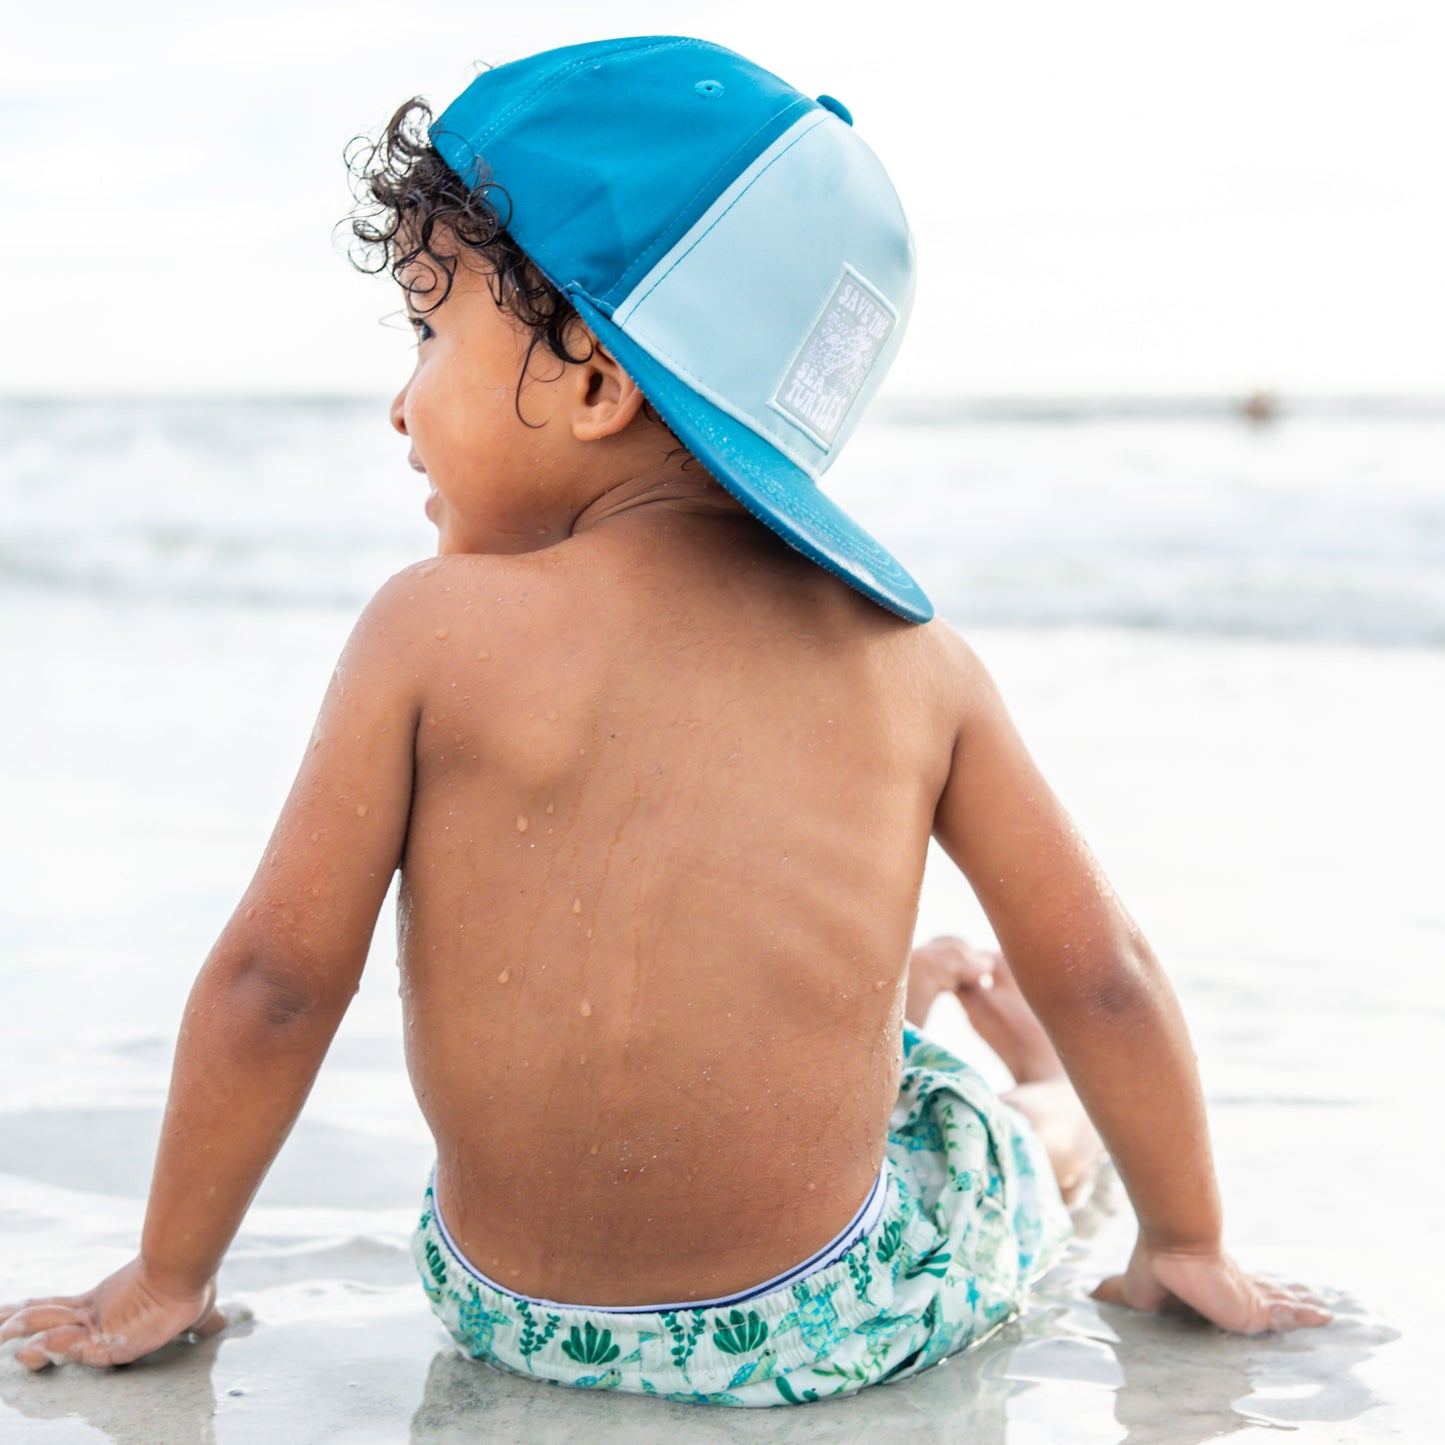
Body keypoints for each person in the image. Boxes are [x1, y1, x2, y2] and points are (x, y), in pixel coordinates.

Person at [0, 37, 1329, 1404]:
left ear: (592, 373)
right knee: (995, 1148)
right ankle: (1011, 1093)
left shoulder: (425, 631)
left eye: (426, 327)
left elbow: (275, 983)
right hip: (833, 1314)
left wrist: (168, 1273)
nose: (400, 403)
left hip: (510, 1309)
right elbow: (1100, 969)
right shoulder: (916, 665)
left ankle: (953, 1056)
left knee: (952, 1106)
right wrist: (1186, 1238)